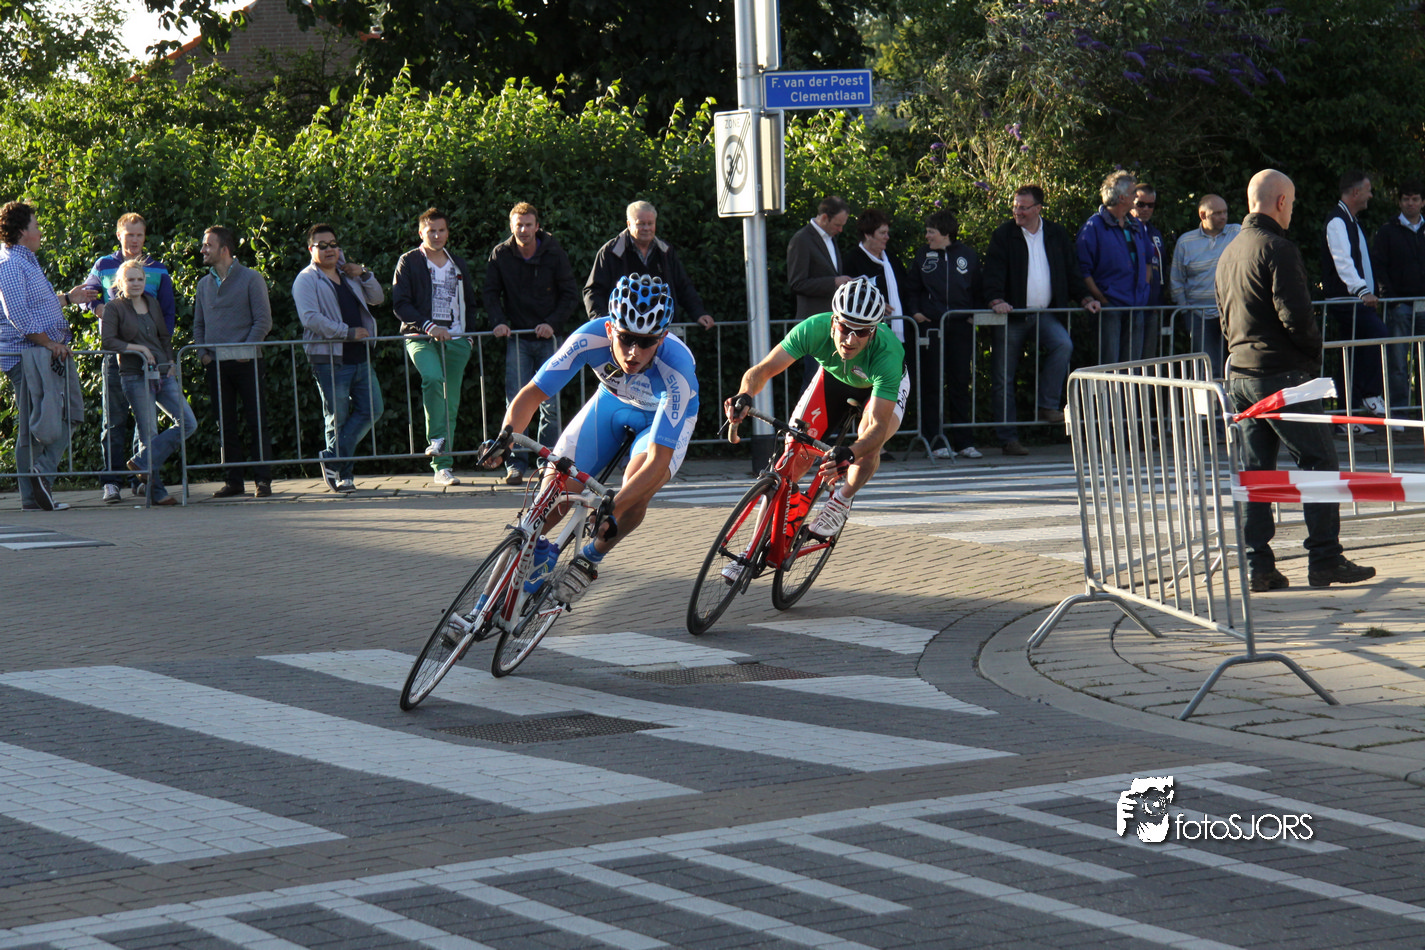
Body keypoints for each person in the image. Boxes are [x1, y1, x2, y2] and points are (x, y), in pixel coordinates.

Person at [480, 274, 699, 605]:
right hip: (612, 402)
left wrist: (614, 506)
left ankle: (590, 558)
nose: (634, 352)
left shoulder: (677, 369)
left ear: (663, 337)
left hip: (661, 418)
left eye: (646, 342)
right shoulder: (589, 338)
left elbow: (657, 463)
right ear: (610, 329)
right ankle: (482, 605)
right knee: (551, 495)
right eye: (626, 338)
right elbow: (533, 394)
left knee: (637, 487)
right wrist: (504, 438)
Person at [1216, 168, 1375, 591]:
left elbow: (1225, 318)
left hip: (1241, 372)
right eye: (1292, 203)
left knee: (1257, 473)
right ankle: (1325, 558)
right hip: (1281, 374)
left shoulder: (1229, 252)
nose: (1292, 211)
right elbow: (1297, 316)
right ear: (1281, 202)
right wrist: (1310, 359)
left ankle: (1259, 567)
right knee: (1319, 461)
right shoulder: (1278, 249)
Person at [726, 277, 908, 546]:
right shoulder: (813, 328)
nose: (850, 339)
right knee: (793, 452)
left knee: (869, 442)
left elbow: (879, 427)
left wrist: (851, 452)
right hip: (834, 379)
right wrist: (745, 394)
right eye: (845, 327)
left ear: (873, 332)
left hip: (877, 389)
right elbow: (762, 370)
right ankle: (751, 550)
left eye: (861, 332)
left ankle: (841, 500)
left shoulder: (887, 354)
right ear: (834, 321)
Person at [983, 185, 1100, 456]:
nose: (1018, 211)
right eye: (1015, 206)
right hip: (1013, 316)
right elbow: (992, 272)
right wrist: (995, 300)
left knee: (1063, 344)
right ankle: (1008, 438)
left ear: (1038, 208)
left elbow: (1070, 271)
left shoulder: (1056, 234)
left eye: (1023, 207)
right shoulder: (1004, 235)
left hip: (1045, 313)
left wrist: (1085, 298)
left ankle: (1047, 406)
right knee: (1003, 377)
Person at [0, 201, 96, 511]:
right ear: (21, 231)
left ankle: (40, 478)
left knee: (70, 414)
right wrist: (49, 343)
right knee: (33, 427)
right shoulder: (10, 263)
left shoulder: (24, 261)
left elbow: (36, 305)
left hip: (43, 354)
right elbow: (18, 315)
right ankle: (33, 496)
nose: (41, 232)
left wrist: (67, 298)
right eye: (36, 226)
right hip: (28, 356)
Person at [82, 212, 178, 503]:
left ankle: (142, 478)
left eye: (139, 235)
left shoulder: (158, 269)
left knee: (145, 421)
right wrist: (100, 310)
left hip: (150, 358)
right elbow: (86, 295)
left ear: (145, 236)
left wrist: (164, 351)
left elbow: (168, 312)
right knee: (113, 418)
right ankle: (111, 481)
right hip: (116, 354)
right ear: (119, 236)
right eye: (129, 235)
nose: (134, 240)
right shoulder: (103, 265)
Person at [483, 202, 579, 485]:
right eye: (519, 225)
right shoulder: (500, 254)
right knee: (515, 403)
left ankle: (546, 465)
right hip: (517, 339)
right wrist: (498, 321)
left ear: (537, 226)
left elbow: (570, 293)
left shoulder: (554, 252)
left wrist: (552, 323)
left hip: (549, 339)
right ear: (511, 226)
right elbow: (490, 293)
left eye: (528, 224)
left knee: (551, 406)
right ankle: (514, 464)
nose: (523, 230)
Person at [391, 207, 480, 487]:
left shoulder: (458, 263)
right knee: (432, 378)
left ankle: (443, 467)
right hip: (420, 337)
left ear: (448, 232)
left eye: (442, 230)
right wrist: (429, 326)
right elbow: (400, 304)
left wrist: (468, 338)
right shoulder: (408, 261)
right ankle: (436, 443)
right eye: (431, 231)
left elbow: (470, 303)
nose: (437, 235)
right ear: (421, 233)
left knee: (450, 403)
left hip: (457, 341)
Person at [292, 223, 384, 494]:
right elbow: (310, 319)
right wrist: (347, 332)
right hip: (329, 359)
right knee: (337, 418)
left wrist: (363, 273)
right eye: (322, 245)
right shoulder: (306, 279)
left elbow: (377, 298)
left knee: (373, 409)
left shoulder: (349, 274)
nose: (329, 249)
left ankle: (332, 459)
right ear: (311, 249)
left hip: (360, 356)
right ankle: (345, 476)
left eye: (333, 244)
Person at [100, 258, 196, 505]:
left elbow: (164, 336)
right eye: (130, 279)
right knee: (148, 433)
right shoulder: (114, 308)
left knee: (188, 422)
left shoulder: (152, 302)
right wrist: (139, 348)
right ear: (121, 282)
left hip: (162, 372)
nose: (136, 283)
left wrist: (171, 362)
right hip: (134, 374)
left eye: (140, 279)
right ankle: (156, 492)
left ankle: (143, 461)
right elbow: (108, 341)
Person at [193, 225, 274, 498]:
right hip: (216, 365)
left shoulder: (252, 278)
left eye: (208, 245)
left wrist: (245, 349)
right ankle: (234, 481)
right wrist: (203, 355)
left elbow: (263, 320)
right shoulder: (203, 285)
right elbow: (198, 325)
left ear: (224, 249)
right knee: (225, 424)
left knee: (256, 421)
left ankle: (263, 480)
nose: (202, 250)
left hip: (247, 363)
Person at [905, 209, 984, 459]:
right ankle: (934, 441)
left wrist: (973, 313)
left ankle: (964, 442)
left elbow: (978, 288)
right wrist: (916, 312)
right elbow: (912, 288)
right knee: (932, 384)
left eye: (931, 232)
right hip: (931, 326)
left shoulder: (967, 255)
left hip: (960, 327)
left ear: (946, 233)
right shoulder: (922, 255)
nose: (927, 236)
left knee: (960, 382)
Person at [1321, 170, 1389, 417]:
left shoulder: (1351, 221)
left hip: (1354, 300)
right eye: (1368, 190)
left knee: (1349, 355)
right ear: (1356, 192)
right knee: (1377, 333)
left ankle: (1346, 415)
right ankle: (1370, 394)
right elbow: (1343, 262)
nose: (1371, 195)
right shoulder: (1338, 221)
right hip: (1346, 300)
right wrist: (1363, 292)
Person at [583, 201, 714, 328]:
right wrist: (602, 322)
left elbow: (683, 286)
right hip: (624, 330)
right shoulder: (611, 252)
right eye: (640, 224)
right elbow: (593, 291)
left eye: (650, 223)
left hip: (662, 329)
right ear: (629, 224)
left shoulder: (665, 251)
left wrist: (699, 313)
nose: (646, 228)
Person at [1078, 170, 1152, 364]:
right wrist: (1102, 299)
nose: (1136, 196)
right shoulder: (1093, 227)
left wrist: (1143, 290)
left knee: (1133, 367)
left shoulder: (1135, 225)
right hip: (1109, 308)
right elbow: (1083, 270)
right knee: (1109, 366)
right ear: (1122, 198)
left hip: (1136, 306)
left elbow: (1148, 260)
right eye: (1133, 192)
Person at [1168, 194, 1241, 379]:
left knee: (1236, 364)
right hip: (1198, 314)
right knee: (1207, 366)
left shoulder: (1237, 233)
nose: (1223, 217)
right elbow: (1176, 279)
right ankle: (1210, 399)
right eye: (1217, 213)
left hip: (1231, 312)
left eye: (1225, 212)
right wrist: (1185, 310)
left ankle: (1233, 398)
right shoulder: (1186, 242)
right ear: (1202, 215)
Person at [1371, 178, 1425, 410]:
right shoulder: (1387, 231)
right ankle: (1399, 413)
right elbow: (1379, 266)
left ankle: (1422, 412)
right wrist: (1391, 298)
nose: (1410, 203)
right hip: (1399, 304)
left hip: (1423, 303)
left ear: (1422, 202)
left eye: (1415, 199)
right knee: (1398, 363)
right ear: (1400, 202)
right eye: (1406, 199)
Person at [1131, 183, 1167, 360]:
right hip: (1132, 306)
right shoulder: (1126, 229)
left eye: (1150, 205)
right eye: (1140, 204)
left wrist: (1159, 301)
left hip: (1152, 307)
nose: (1145, 209)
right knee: (1132, 358)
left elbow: (1162, 267)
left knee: (1149, 359)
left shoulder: (1155, 233)